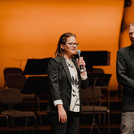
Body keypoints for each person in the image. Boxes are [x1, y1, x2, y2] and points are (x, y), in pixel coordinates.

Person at [47, 32, 88, 134]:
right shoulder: (55, 62)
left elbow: (84, 85)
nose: (74, 46)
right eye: (71, 44)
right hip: (61, 108)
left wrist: (83, 69)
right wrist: (59, 107)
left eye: (76, 44)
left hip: (75, 107)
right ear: (62, 46)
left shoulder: (75, 62)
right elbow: (54, 84)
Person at [116, 22, 134, 134]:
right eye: (131, 33)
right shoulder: (123, 53)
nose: (133, 35)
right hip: (131, 105)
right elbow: (121, 76)